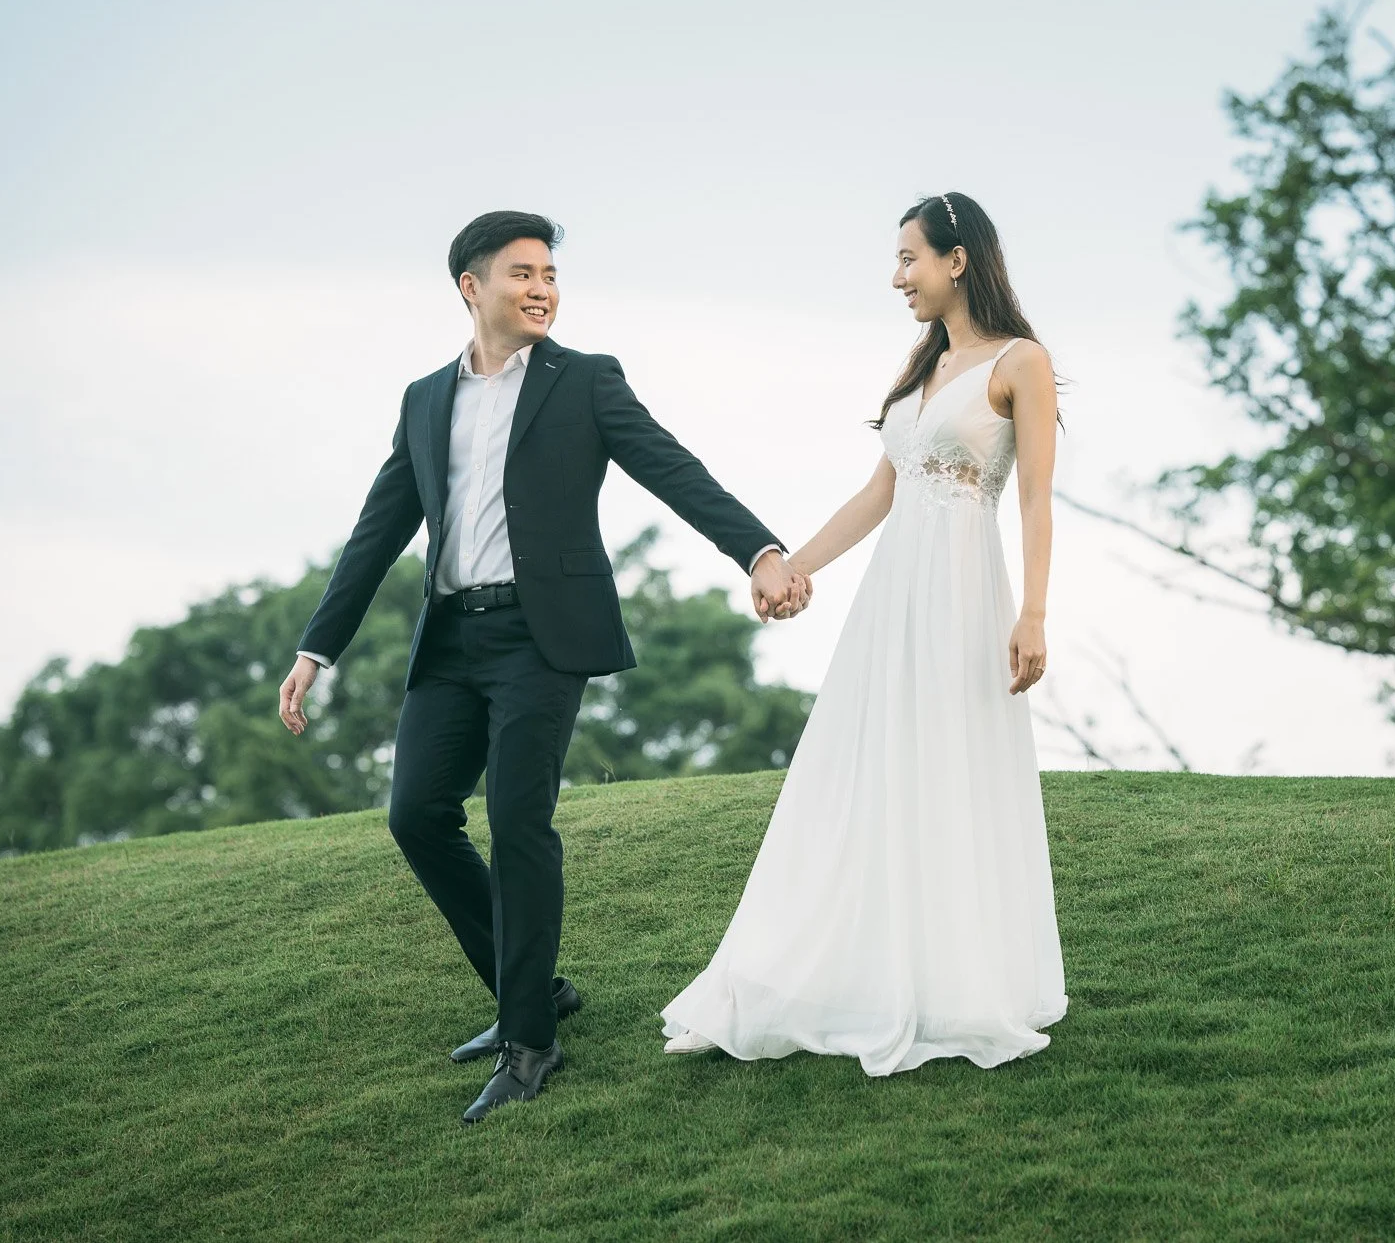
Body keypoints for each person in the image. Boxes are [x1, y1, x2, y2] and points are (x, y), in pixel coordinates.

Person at [277, 210, 810, 1121]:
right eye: (522, 273)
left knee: (520, 818)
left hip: (540, 637)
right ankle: (531, 987)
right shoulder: (424, 398)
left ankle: (530, 1040)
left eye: (551, 275)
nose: (541, 289)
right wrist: (315, 647)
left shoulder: (585, 382)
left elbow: (673, 469)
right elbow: (380, 526)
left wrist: (758, 550)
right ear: (470, 287)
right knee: (416, 815)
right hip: (450, 640)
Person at [659, 191, 1066, 1076]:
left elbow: (1035, 494)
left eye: (909, 259)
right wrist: (790, 566)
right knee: (863, 765)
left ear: (957, 260)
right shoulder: (920, 370)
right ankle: (845, 967)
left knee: (948, 765)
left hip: (965, 592)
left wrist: (1033, 611)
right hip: (893, 598)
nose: (898, 278)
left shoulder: (1020, 362)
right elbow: (878, 495)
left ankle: (954, 980)